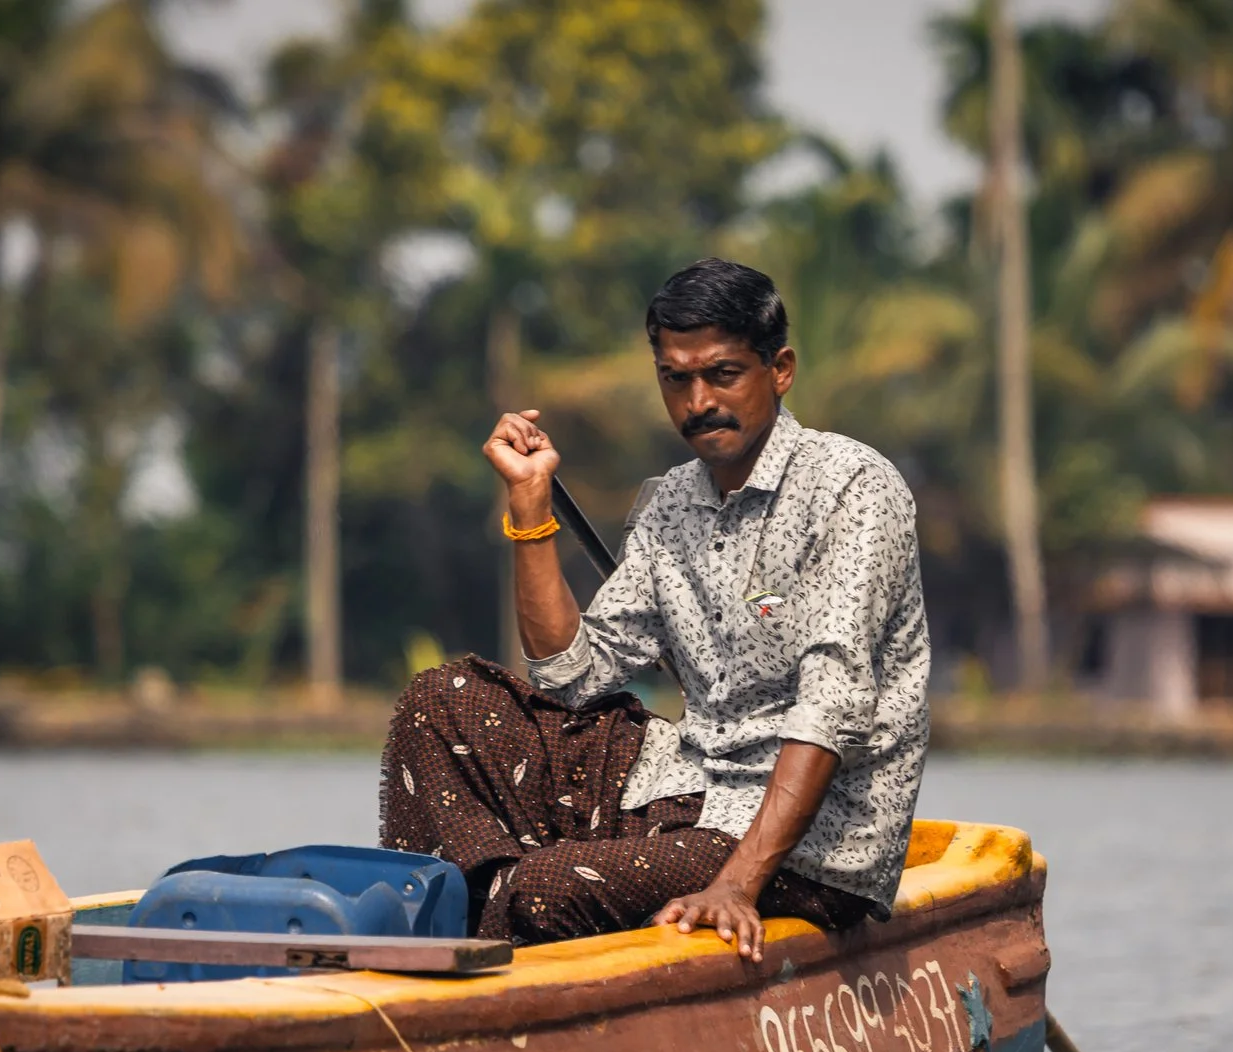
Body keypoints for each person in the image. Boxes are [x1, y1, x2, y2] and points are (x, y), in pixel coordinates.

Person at [378, 258, 930, 959]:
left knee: (547, 891)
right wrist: (529, 508)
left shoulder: (853, 489)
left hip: (812, 849)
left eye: (723, 374)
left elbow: (834, 709)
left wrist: (736, 885)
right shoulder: (671, 504)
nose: (699, 401)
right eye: (677, 379)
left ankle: (506, 913)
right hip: (687, 793)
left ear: (779, 370)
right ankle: (468, 918)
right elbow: (571, 677)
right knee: (441, 699)